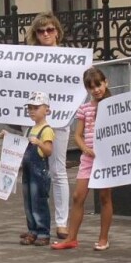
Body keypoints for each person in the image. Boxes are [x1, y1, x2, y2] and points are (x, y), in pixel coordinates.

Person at [52, 68, 114, 251]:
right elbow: (78, 135)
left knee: (104, 197)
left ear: (106, 83)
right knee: (78, 196)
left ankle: (103, 238)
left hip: (106, 159)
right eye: (91, 87)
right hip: (88, 158)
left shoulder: (114, 105)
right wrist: (86, 148)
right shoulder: (85, 108)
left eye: (98, 85)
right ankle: (71, 238)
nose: (96, 90)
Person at [25, 13, 72, 238]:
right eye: (41, 31)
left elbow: (80, 82)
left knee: (58, 170)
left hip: (59, 120)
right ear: (35, 34)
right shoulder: (28, 58)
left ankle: (62, 222)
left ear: (57, 32)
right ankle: (38, 223)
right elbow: (12, 77)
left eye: (50, 30)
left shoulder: (68, 56)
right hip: (35, 122)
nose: (46, 34)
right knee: (34, 173)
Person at [16, 93, 56, 246]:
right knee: (28, 202)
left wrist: (39, 142)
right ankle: (32, 230)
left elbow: (48, 151)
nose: (32, 111)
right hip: (27, 171)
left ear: (46, 110)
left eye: (36, 108)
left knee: (39, 201)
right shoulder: (29, 130)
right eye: (30, 108)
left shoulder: (46, 130)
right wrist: (8, 137)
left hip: (39, 173)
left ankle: (43, 232)